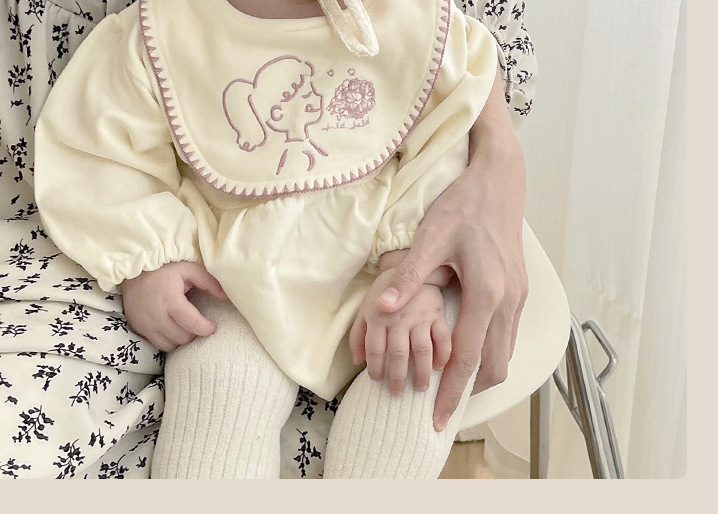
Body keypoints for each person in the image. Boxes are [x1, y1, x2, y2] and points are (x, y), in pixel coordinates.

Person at [33, 0, 521, 479]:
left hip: (386, 271)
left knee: (419, 367)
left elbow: (446, 137)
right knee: (218, 383)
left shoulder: (412, 20)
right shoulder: (169, 28)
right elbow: (105, 145)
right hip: (239, 276)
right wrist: (151, 254)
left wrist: (414, 269)